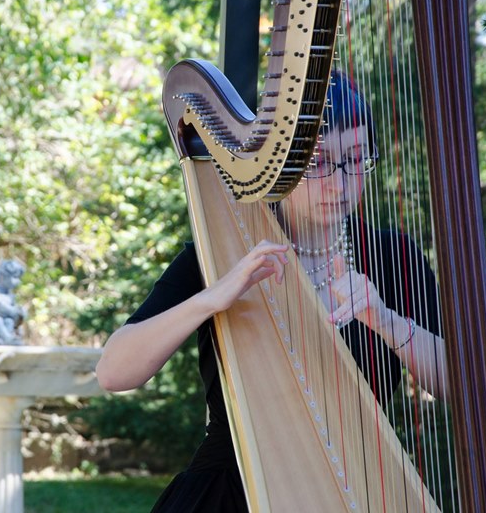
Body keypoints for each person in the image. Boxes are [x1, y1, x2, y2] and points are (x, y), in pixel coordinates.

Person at [96, 71, 449, 512]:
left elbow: (460, 386)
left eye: (357, 158)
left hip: (362, 488)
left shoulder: (393, 257)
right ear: (283, 162)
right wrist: (213, 298)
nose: (340, 184)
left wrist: (385, 320)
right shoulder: (221, 255)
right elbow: (113, 372)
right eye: (319, 163)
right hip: (230, 492)